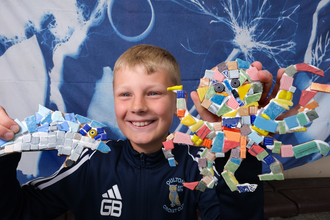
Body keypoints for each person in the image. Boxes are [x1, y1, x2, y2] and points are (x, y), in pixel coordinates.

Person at [0, 44, 275, 220]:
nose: (138, 106)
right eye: (125, 94)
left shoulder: (197, 166)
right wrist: (2, 152)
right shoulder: (89, 163)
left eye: (153, 93)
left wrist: (237, 143)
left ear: (176, 101)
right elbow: (17, 213)